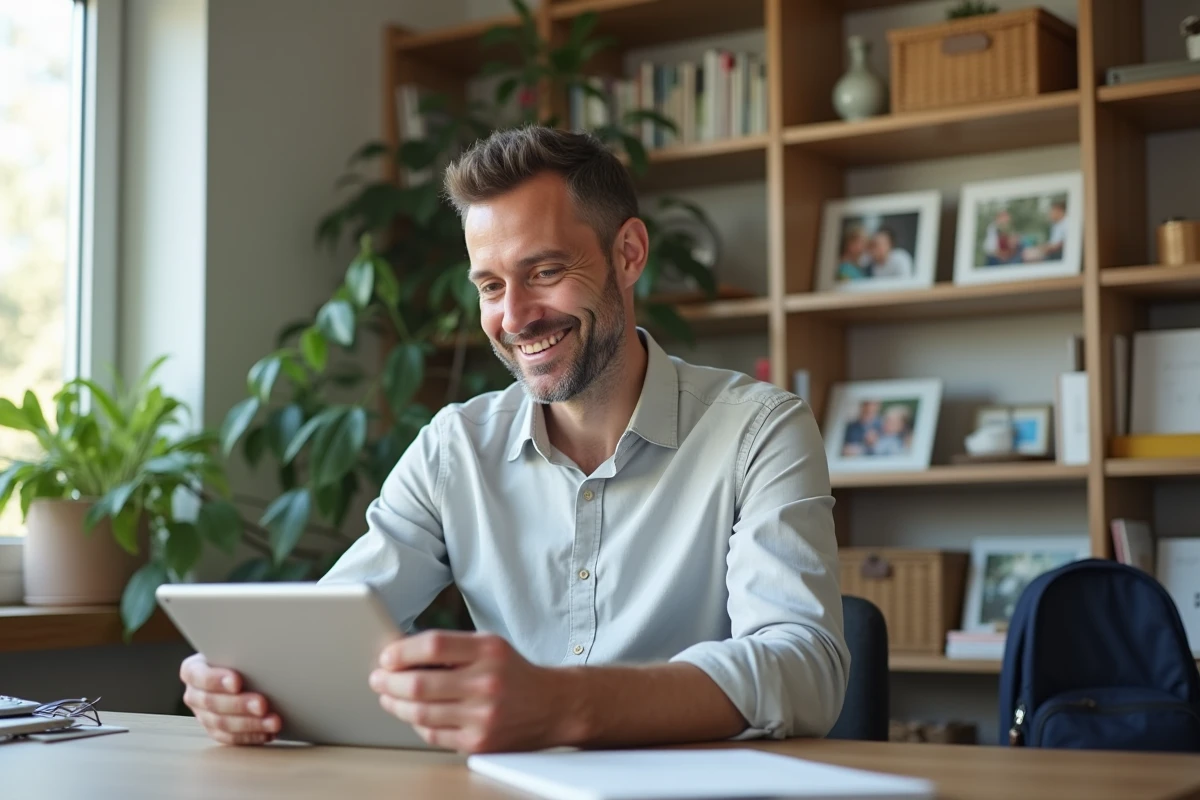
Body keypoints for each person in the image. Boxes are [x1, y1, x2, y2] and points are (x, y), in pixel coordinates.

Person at [177, 125, 848, 754]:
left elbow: (804, 668)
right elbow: (331, 630)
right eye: (491, 286)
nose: (515, 317)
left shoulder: (759, 430)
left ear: (628, 254)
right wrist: (245, 679)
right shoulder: (453, 448)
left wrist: (566, 705)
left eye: (545, 272)